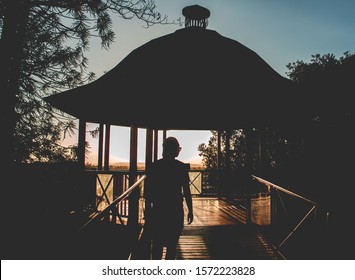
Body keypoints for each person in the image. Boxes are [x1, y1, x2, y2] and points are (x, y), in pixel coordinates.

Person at [144, 136, 194, 260]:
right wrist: (190, 210)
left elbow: (148, 192)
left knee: (157, 245)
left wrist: (148, 210)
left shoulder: (155, 166)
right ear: (175, 150)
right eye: (179, 148)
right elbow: (187, 192)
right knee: (172, 246)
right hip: (175, 211)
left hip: (158, 211)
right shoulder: (181, 168)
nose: (179, 151)